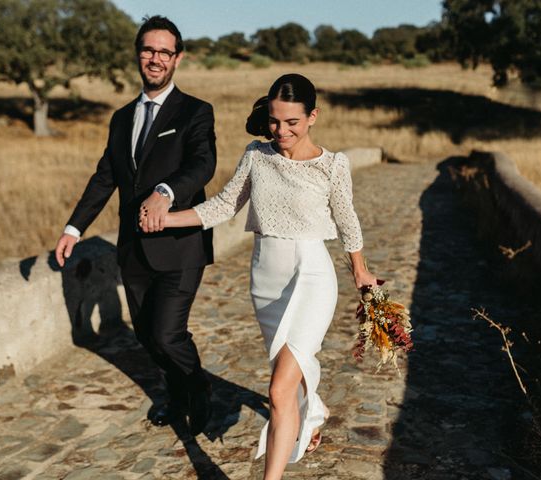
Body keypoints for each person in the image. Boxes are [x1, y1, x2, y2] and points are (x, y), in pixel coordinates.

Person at [140, 73, 377, 479]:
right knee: (289, 369)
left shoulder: (333, 165)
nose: (281, 131)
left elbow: (346, 218)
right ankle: (314, 411)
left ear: (312, 117)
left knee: (279, 387)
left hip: (312, 276)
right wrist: (167, 219)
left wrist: (360, 269)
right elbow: (224, 205)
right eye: (274, 121)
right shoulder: (256, 155)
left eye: (292, 123)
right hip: (265, 277)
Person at [55, 16, 216, 436]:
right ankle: (176, 395)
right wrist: (74, 228)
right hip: (133, 249)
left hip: (180, 245)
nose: (156, 59)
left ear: (178, 58)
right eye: (148, 50)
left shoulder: (197, 111)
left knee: (167, 332)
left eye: (165, 52)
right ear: (138, 55)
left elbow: (203, 164)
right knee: (146, 334)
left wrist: (166, 191)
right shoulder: (122, 118)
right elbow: (105, 177)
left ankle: (198, 390)